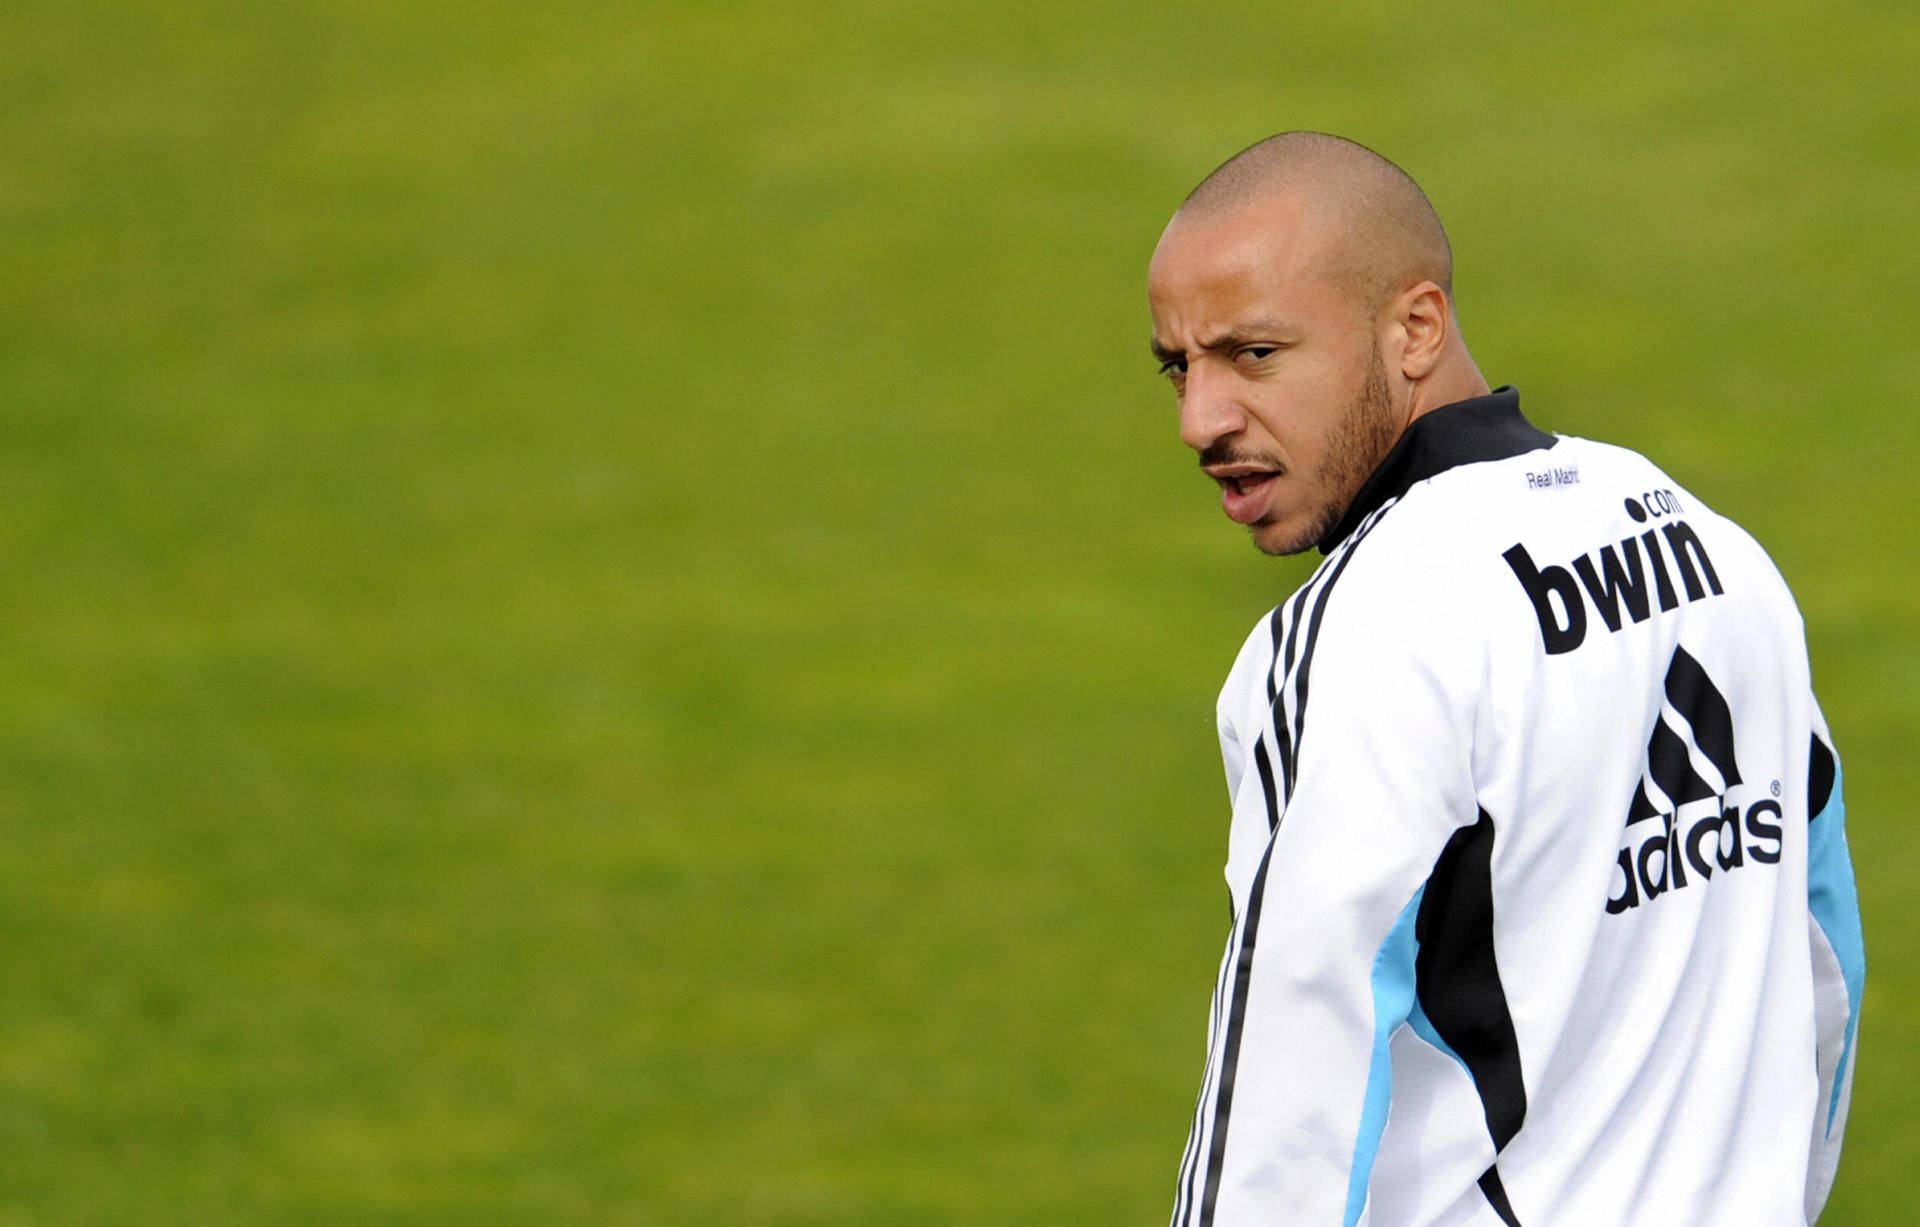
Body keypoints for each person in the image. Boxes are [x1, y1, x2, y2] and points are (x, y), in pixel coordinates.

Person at [1147, 132, 1864, 1227]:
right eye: (1178, 367)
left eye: (1253, 356)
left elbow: (1290, 1108)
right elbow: (1823, 966)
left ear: (1416, 328)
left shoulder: (1361, 634)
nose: (1202, 420)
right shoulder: (1717, 552)